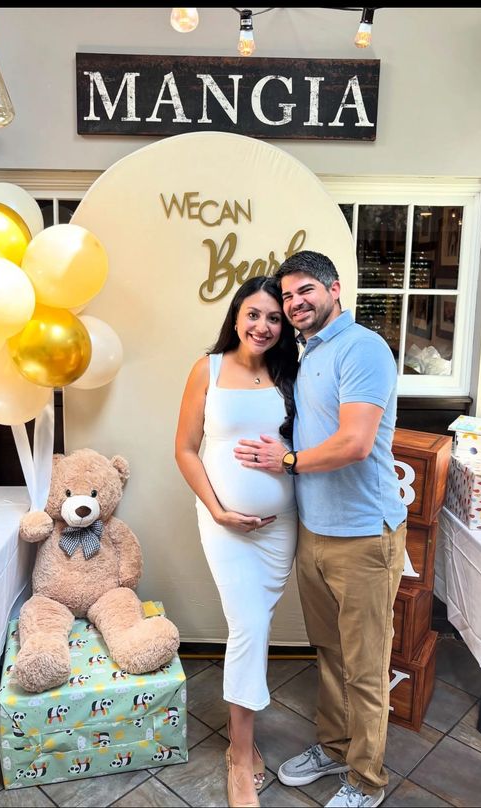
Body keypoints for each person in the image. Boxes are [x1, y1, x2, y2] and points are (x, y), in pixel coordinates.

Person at [234, 251, 407, 808]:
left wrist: (285, 462)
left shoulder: (363, 349)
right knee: (330, 654)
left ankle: (366, 780)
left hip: (363, 537)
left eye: (305, 290)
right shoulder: (308, 353)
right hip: (316, 532)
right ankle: (334, 749)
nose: (294, 303)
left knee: (366, 665)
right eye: (287, 296)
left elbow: (355, 443)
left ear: (335, 289)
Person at [175, 276, 299, 808]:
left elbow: (308, 444)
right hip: (223, 525)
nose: (263, 326)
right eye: (254, 314)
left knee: (257, 626)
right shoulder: (209, 368)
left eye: (274, 318)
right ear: (236, 315)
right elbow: (184, 449)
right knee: (248, 626)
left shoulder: (291, 374)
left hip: (281, 528)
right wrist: (219, 510)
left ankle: (242, 744)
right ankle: (240, 758)